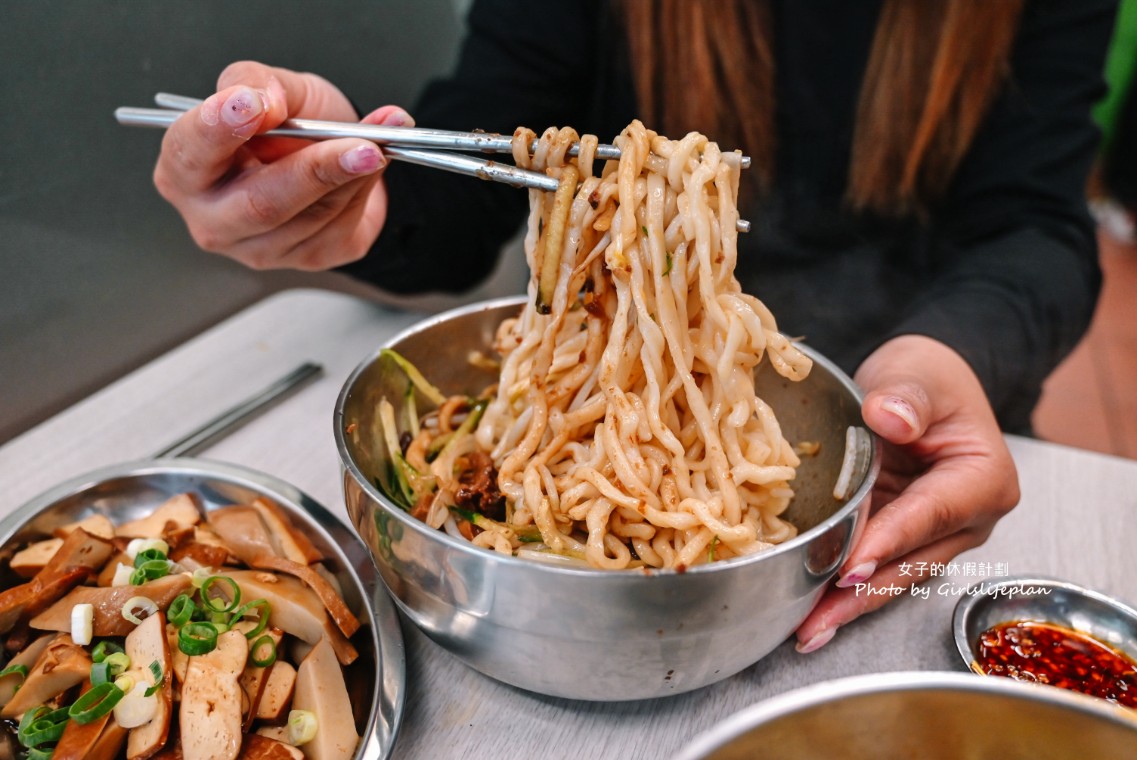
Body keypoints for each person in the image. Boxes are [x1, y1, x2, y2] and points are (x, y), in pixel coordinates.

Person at [150, 0, 1117, 653]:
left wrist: (958, 347)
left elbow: (1033, 222)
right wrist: (346, 184)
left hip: (904, 422)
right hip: (584, 409)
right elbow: (462, 186)